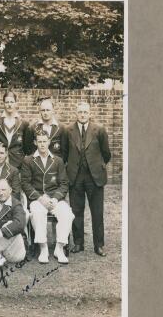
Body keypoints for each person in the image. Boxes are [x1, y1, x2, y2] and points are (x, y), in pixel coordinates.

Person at [64, 101, 111, 256]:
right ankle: (78, 243)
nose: (82, 114)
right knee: (76, 211)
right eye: (80, 112)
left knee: (97, 212)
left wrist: (97, 167)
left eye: (85, 112)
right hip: (75, 176)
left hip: (94, 177)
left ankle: (99, 245)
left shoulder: (99, 130)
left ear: (89, 113)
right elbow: (64, 153)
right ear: (76, 113)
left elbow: (106, 153)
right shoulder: (68, 130)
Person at [20, 130, 74, 264]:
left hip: (55, 198)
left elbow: (64, 183)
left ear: (49, 142)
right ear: (35, 142)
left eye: (45, 141)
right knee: (37, 213)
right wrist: (40, 198)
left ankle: (59, 248)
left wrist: (55, 198)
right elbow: (25, 184)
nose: (42, 144)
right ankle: (43, 248)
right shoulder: (28, 160)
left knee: (67, 213)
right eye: (39, 141)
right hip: (37, 199)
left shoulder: (58, 160)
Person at [0, 91, 30, 170]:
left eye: (12, 102)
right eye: (7, 102)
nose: (9, 104)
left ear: (16, 103)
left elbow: (26, 146)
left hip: (18, 162)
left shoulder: (24, 123)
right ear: (3, 103)